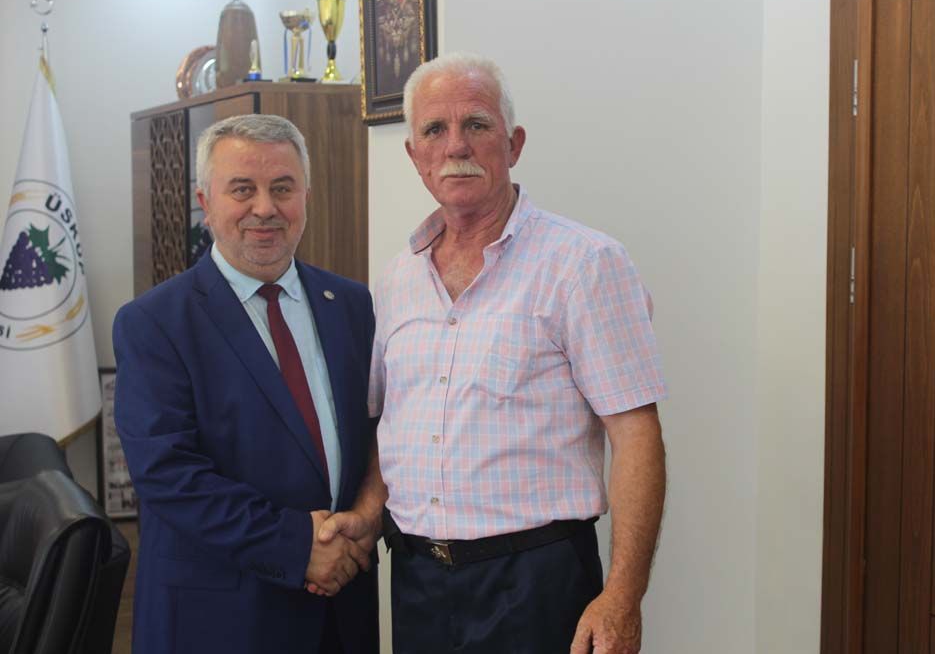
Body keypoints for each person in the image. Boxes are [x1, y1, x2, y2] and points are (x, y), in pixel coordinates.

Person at [320, 52, 668, 654]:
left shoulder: (584, 264)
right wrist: (369, 512)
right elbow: (390, 424)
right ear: (415, 156)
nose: (456, 145)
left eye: (477, 124)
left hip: (537, 585)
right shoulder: (398, 278)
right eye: (435, 129)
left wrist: (622, 597)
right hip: (417, 584)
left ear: (514, 144)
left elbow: (636, 435)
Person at [113, 114, 384, 654]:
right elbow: (169, 474)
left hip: (342, 609)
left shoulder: (353, 305)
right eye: (242, 189)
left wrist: (365, 520)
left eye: (282, 188)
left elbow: (382, 431)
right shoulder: (155, 322)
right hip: (220, 618)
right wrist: (298, 546)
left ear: (306, 196)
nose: (265, 208)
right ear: (205, 202)